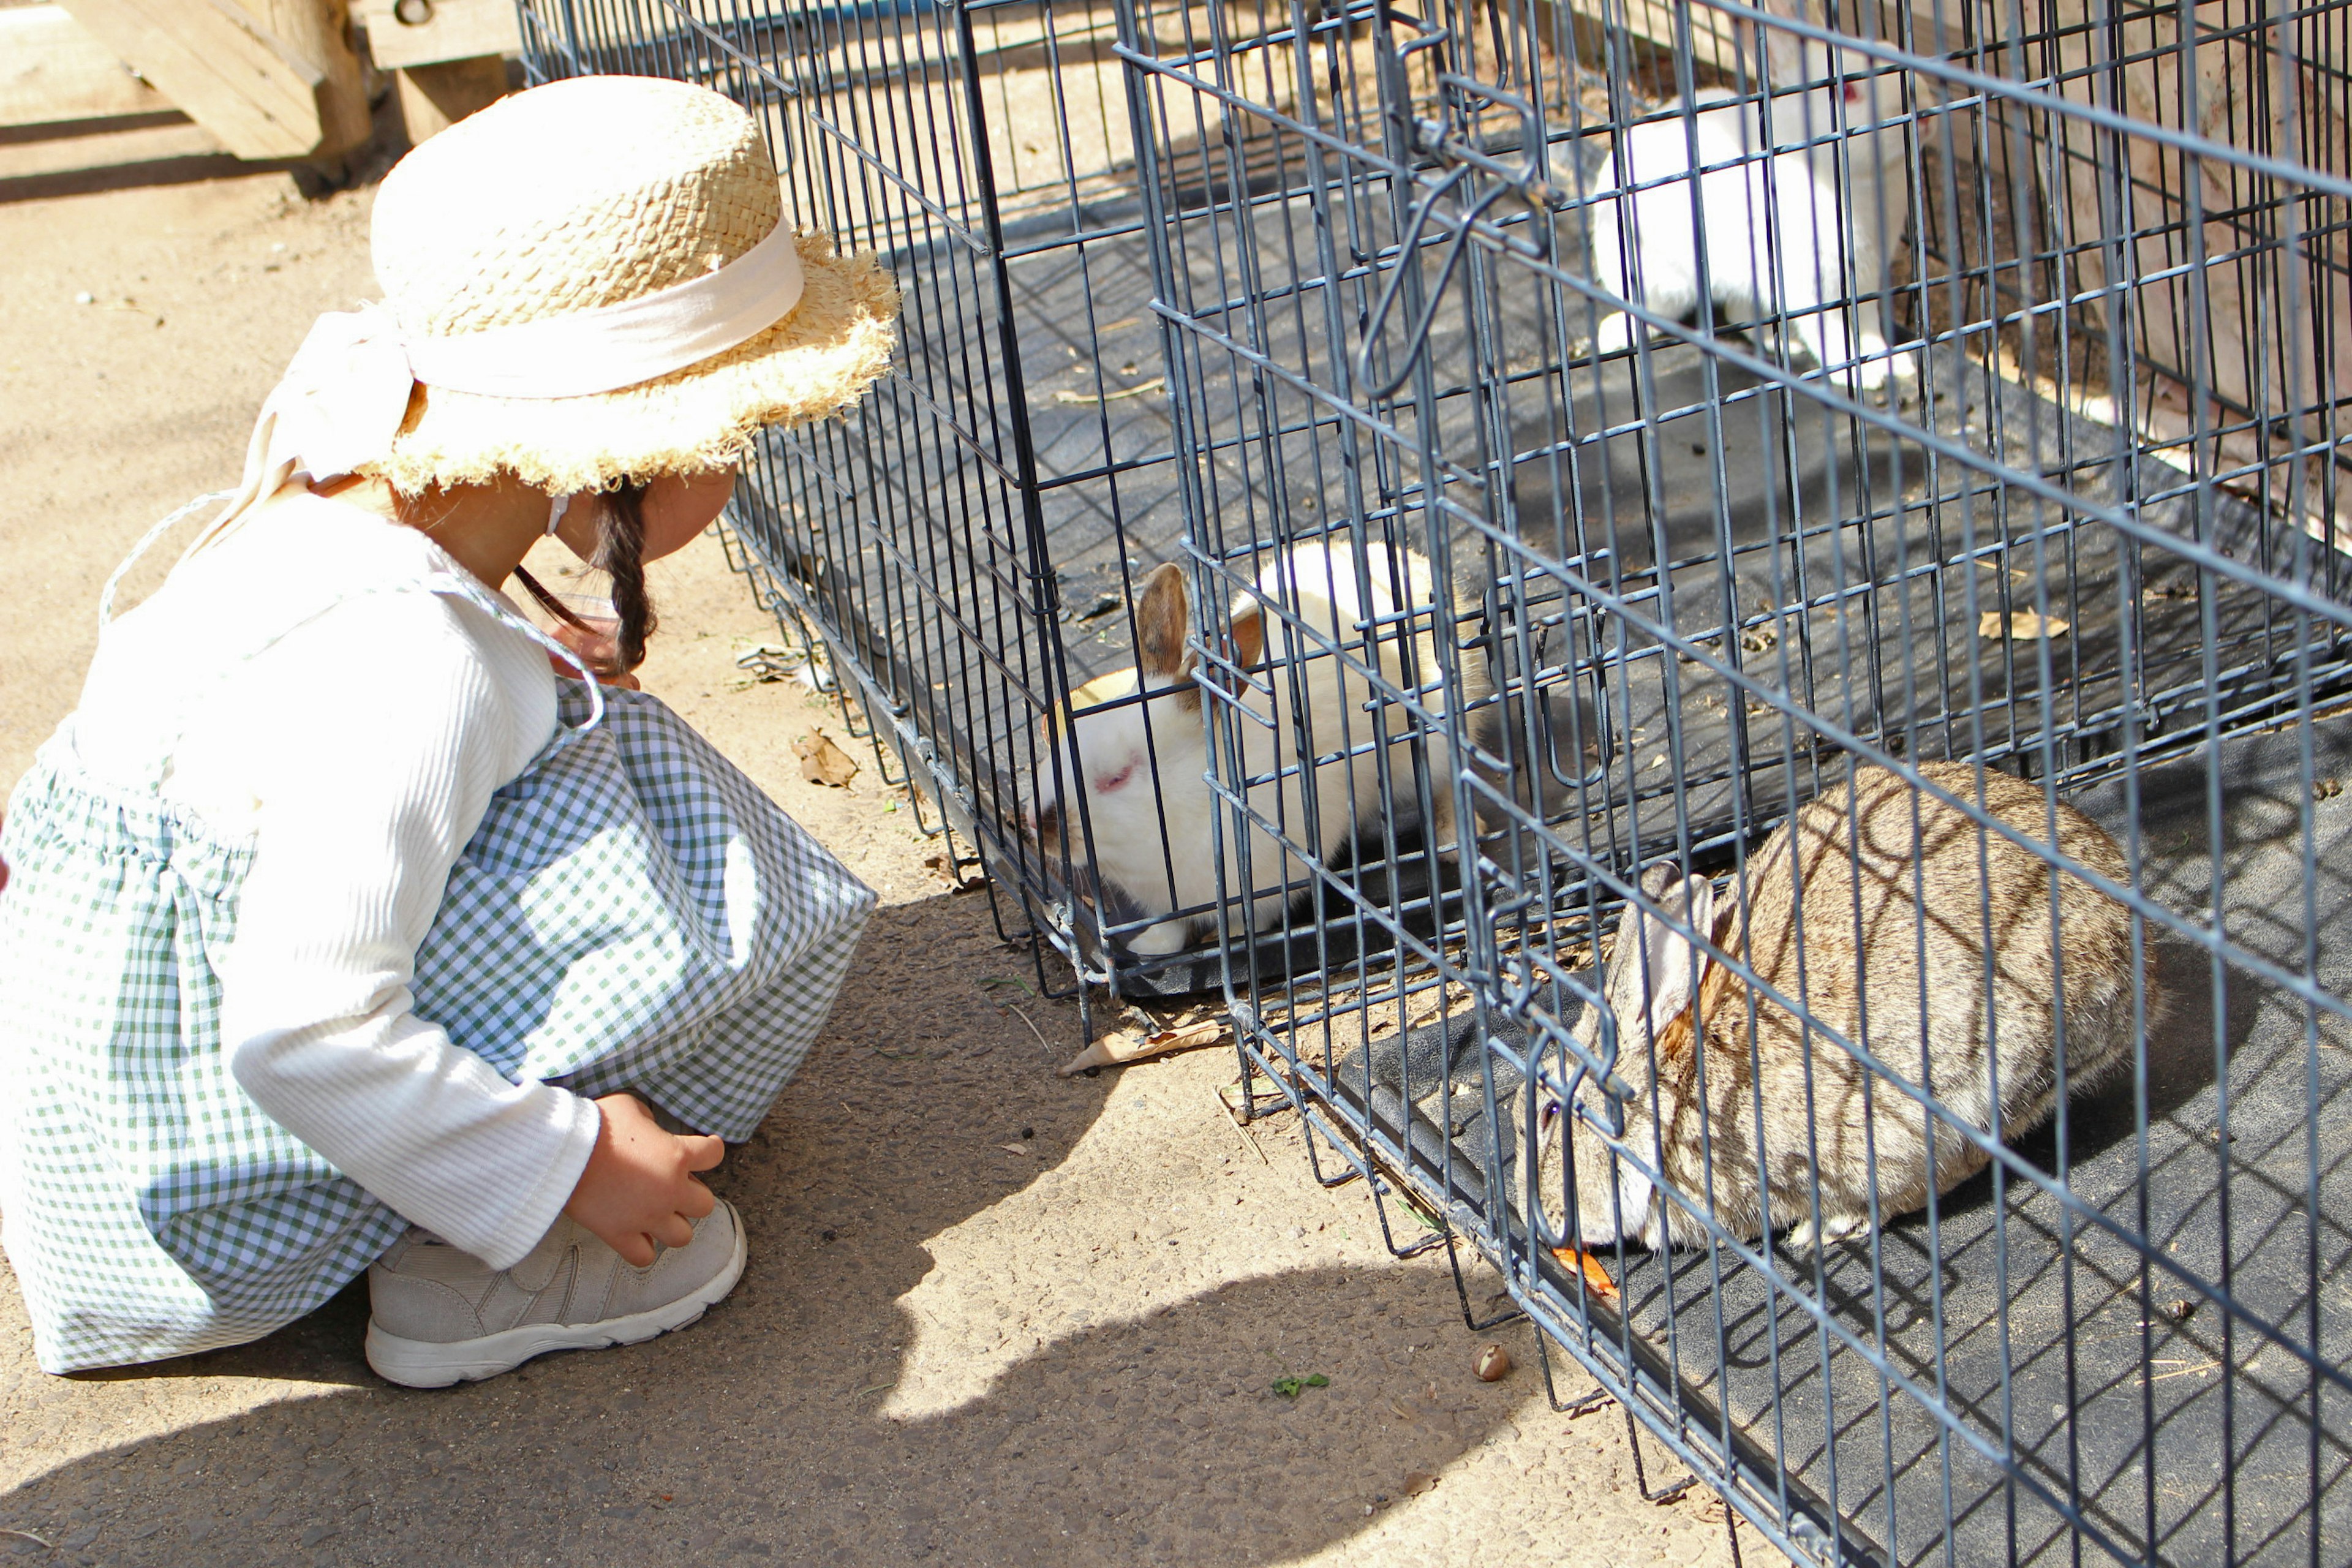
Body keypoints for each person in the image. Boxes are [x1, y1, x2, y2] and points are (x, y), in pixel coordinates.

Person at [0, 76, 899, 1387]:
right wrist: (567, 1163)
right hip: (195, 1207)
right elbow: (298, 1030)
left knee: (579, 738)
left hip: (86, 1093)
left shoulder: (341, 474)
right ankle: (474, 1254)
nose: (744, 464)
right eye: (737, 429)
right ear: (625, 451)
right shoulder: (419, 665)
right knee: (698, 875)